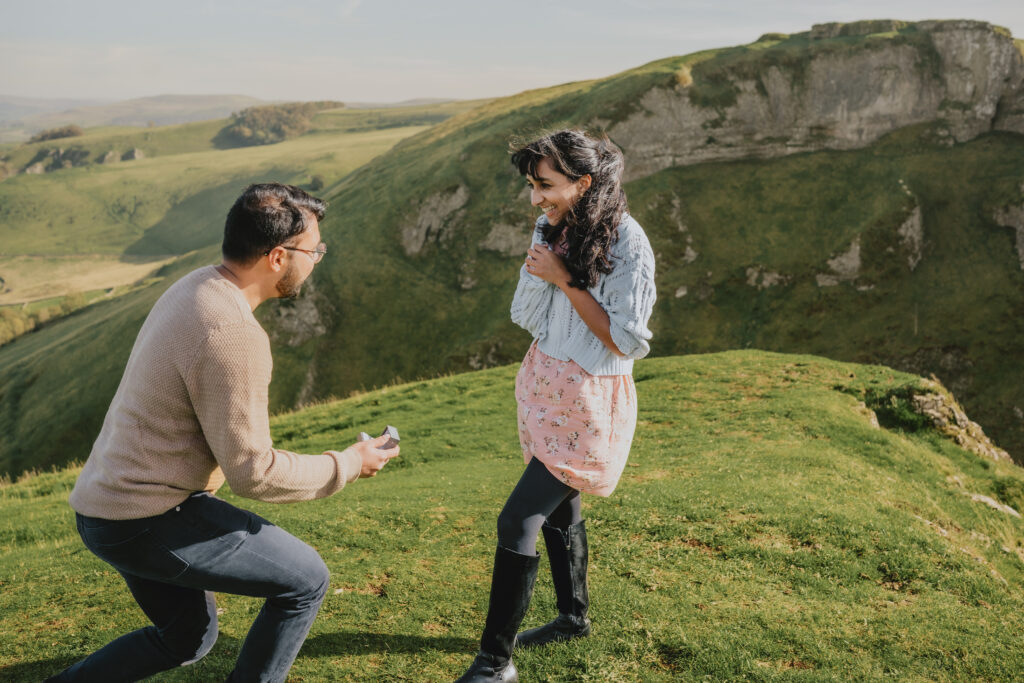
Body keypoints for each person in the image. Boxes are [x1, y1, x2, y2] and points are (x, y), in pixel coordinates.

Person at [47, 183, 399, 683]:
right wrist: (350, 462)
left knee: (187, 635)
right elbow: (254, 473)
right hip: (146, 515)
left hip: (104, 504)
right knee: (305, 581)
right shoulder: (232, 333)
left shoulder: (195, 285)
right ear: (278, 257)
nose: (317, 260)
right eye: (314, 250)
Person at [455, 130, 656, 682]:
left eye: (544, 185)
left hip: (589, 397)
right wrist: (545, 263)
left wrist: (564, 279)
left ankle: (494, 663)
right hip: (545, 383)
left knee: (517, 518)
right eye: (531, 185)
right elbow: (527, 313)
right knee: (561, 508)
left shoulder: (628, 241)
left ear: (583, 182)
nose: (535, 198)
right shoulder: (555, 227)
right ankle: (572, 618)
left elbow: (625, 340)